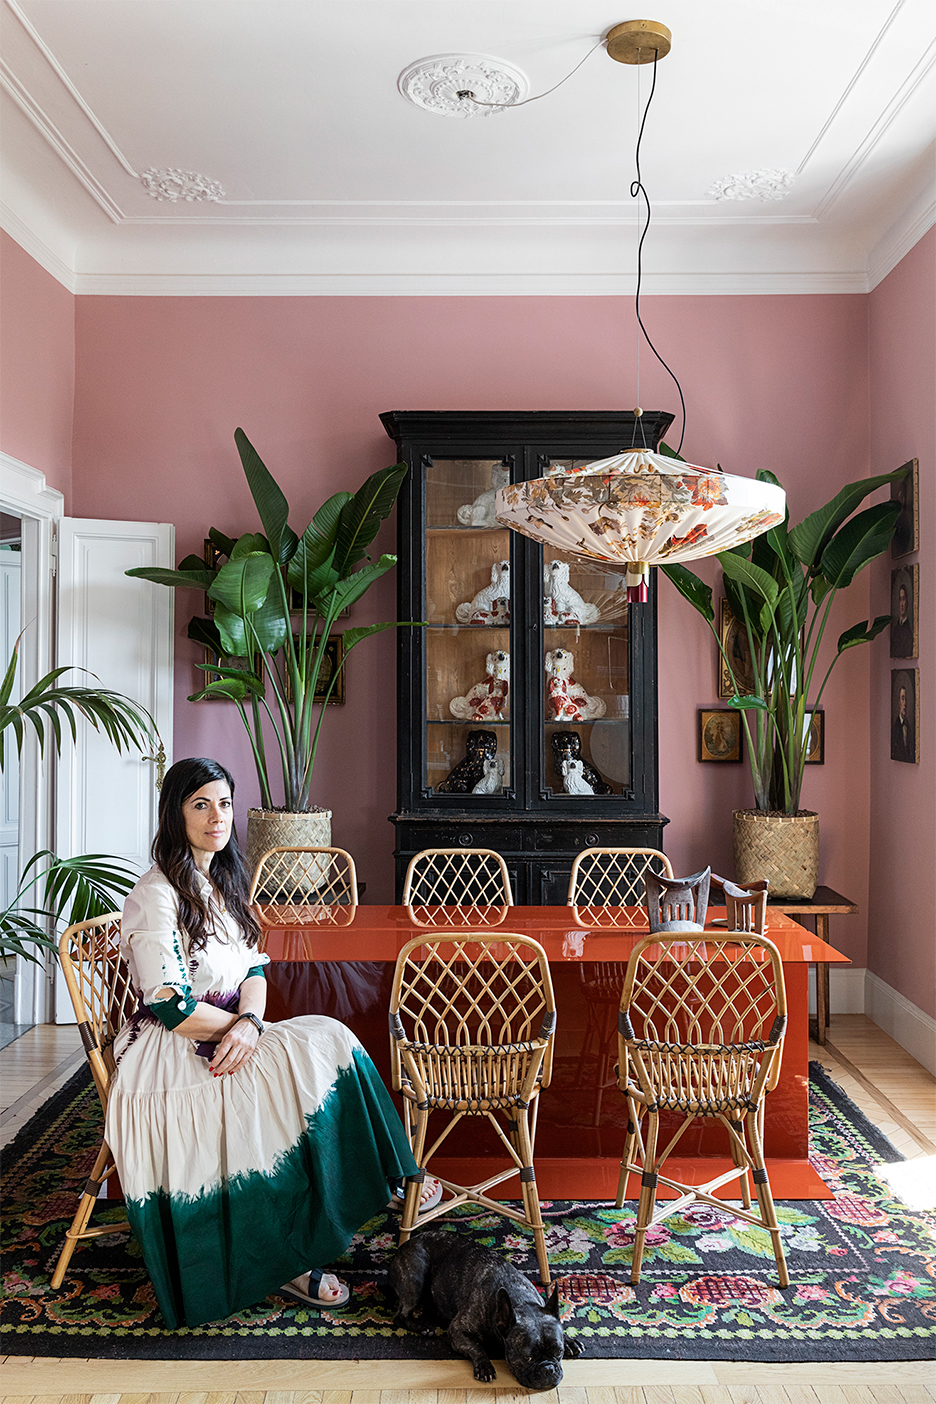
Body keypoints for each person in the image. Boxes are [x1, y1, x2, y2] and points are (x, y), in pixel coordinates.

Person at [105, 757, 440, 1329]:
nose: (217, 817)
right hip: (173, 1048)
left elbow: (256, 966)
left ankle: (379, 1177)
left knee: (329, 1038)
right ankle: (292, 1252)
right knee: (301, 1063)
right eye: (201, 804)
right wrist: (243, 1029)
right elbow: (170, 1007)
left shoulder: (224, 878)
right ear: (174, 813)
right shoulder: (157, 894)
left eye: (225, 804)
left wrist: (253, 1023)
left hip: (235, 1028)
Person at [891, 682, 915, 763]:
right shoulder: (895, 727)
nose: (905, 703)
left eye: (906, 699)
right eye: (902, 698)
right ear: (898, 702)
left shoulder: (909, 727)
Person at [891, 581, 914, 658]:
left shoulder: (909, 630)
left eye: (903, 599)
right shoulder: (896, 629)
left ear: (907, 602)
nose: (901, 604)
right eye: (900, 599)